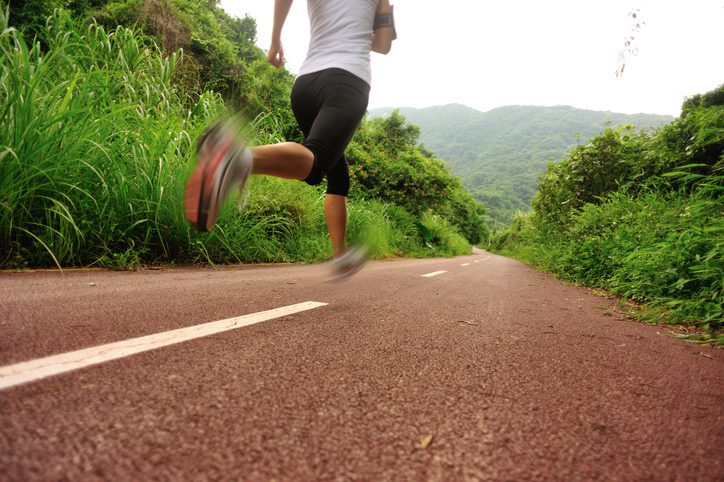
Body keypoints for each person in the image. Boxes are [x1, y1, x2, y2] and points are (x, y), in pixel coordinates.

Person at [184, 0, 396, 281]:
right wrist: (363, 26)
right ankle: (238, 158)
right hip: (348, 80)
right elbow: (382, 45)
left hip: (306, 84)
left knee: (337, 173)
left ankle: (340, 254)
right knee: (316, 160)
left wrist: (275, 40)